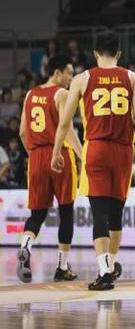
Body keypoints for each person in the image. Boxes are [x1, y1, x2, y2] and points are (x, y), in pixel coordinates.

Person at [51, 32, 135, 291]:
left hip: (96, 147)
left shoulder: (82, 78)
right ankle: (111, 263)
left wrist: (56, 151)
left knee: (99, 212)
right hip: (124, 149)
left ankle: (104, 271)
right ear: (119, 53)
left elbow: (65, 122)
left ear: (95, 53)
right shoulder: (132, 77)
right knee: (116, 212)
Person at [16, 55, 83, 283]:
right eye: (69, 73)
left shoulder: (30, 94)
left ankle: (26, 246)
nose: (71, 78)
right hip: (60, 155)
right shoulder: (61, 94)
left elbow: (22, 132)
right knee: (66, 212)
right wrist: (83, 155)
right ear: (57, 73)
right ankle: (62, 267)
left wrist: (34, 156)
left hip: (36, 157)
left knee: (37, 214)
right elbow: (67, 130)